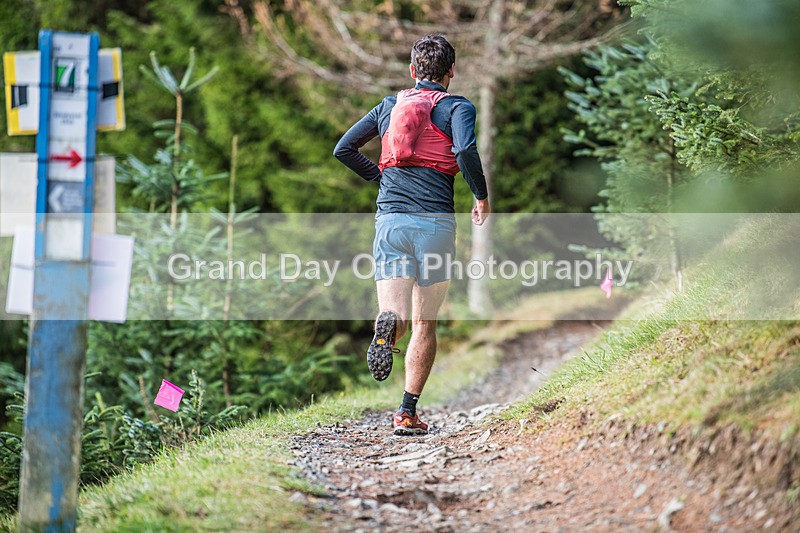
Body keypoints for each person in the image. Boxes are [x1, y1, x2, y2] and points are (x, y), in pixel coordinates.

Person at [334, 34, 489, 435]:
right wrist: (481, 196)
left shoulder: (388, 106)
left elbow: (344, 149)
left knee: (397, 315)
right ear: (451, 72)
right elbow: (466, 151)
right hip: (435, 224)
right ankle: (407, 412)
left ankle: (386, 327)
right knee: (426, 323)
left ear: (412, 71)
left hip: (391, 222)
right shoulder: (458, 107)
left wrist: (380, 175)